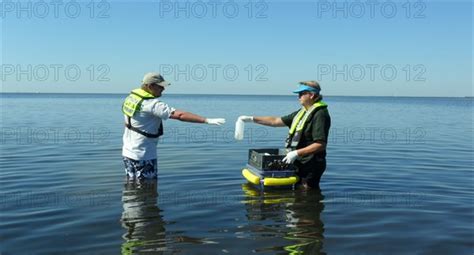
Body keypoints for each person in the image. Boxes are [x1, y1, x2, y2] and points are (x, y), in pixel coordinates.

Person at [122, 72, 225, 179]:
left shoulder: (131, 98)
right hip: (144, 154)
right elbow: (180, 115)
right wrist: (207, 120)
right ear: (150, 86)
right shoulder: (152, 104)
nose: (163, 89)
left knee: (132, 185)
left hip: (128, 152)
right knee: (148, 189)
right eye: (160, 87)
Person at [238, 81, 331, 190]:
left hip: (311, 165)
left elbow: (320, 145)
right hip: (299, 162)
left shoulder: (320, 114)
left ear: (311, 95)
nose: (298, 96)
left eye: (302, 93)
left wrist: (296, 153)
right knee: (297, 194)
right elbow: (276, 121)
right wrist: (251, 119)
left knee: (307, 194)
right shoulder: (302, 112)